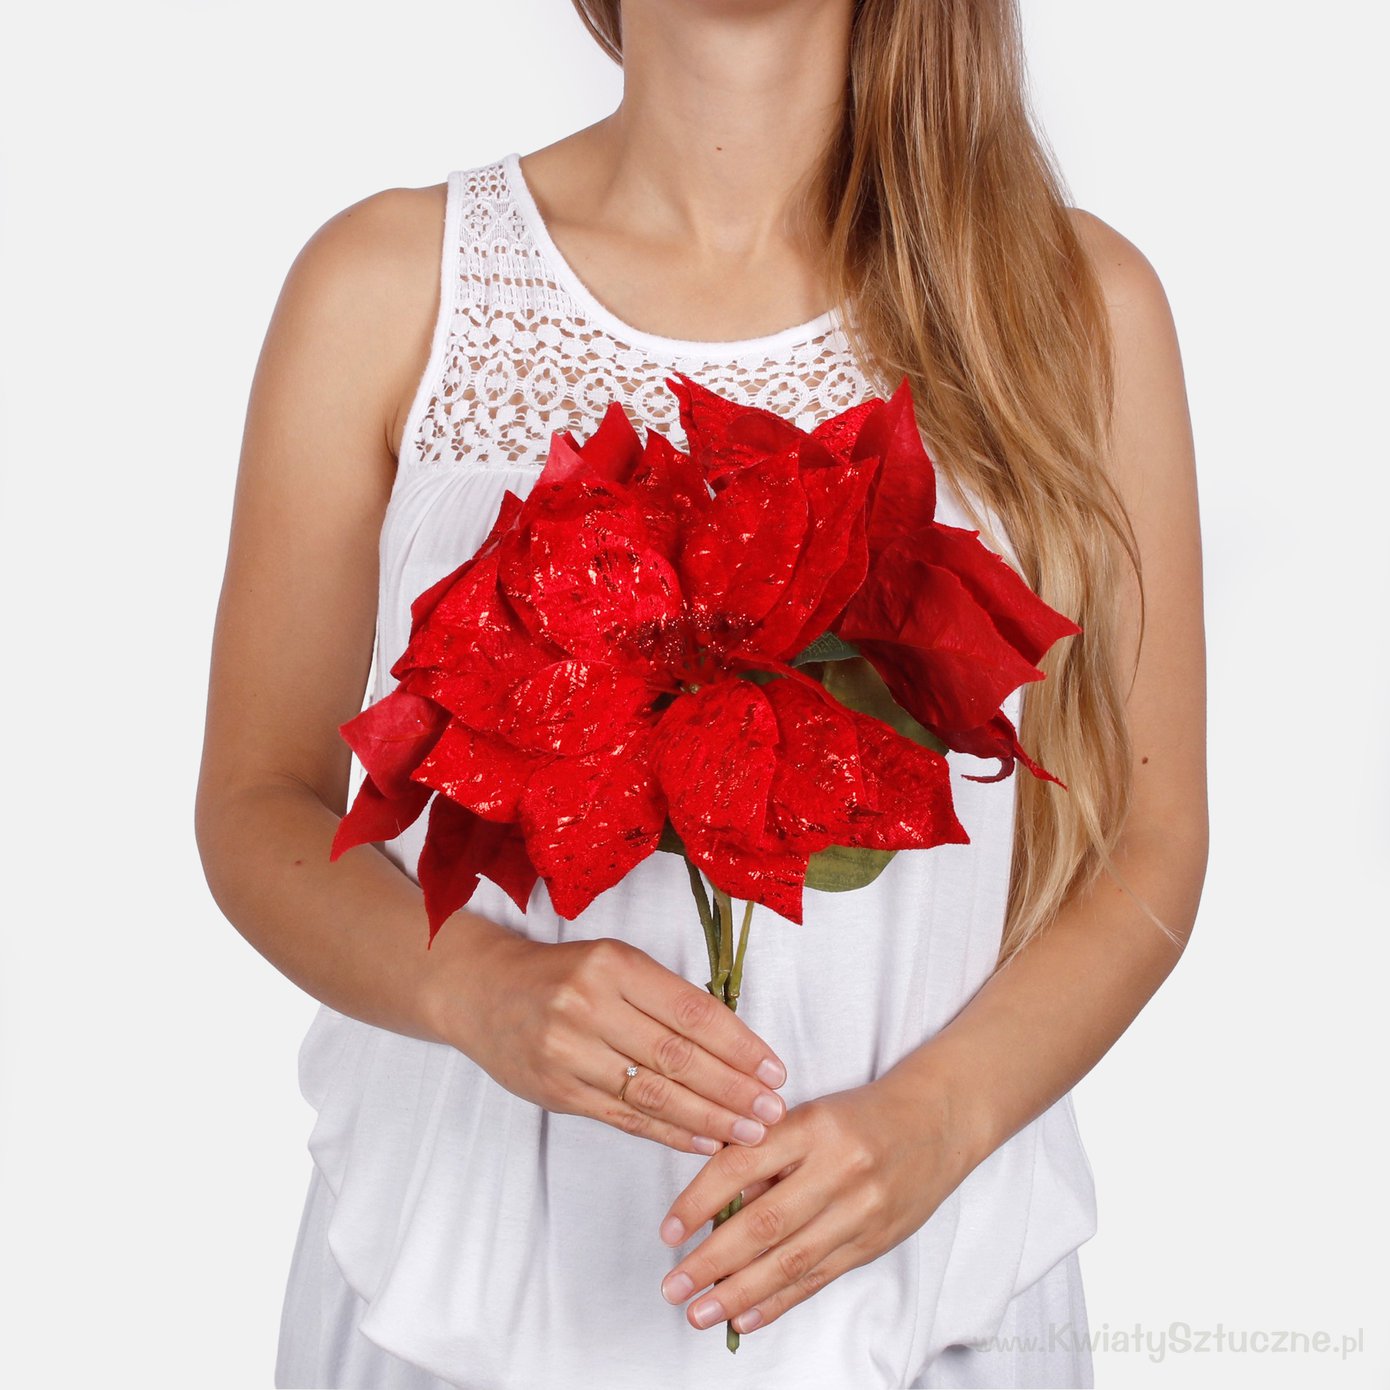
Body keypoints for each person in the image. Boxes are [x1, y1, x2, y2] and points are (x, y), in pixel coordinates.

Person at [194, 1, 1207, 1386]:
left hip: (914, 1296)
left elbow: (1150, 838)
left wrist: (941, 1120)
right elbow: (256, 803)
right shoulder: (391, 283)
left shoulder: (1067, 304)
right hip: (467, 1292)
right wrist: (476, 987)